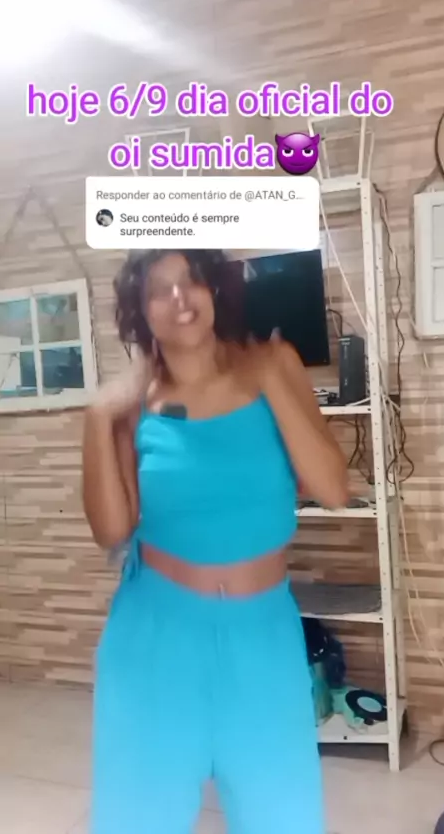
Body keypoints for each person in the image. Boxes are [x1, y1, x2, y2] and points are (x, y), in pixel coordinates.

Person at [82, 248, 349, 834]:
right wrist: (98, 419)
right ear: (140, 310)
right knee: (138, 819)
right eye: (159, 288)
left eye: (192, 280)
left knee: (283, 817)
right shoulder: (134, 402)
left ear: (215, 290)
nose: (179, 297)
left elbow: (333, 489)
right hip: (155, 635)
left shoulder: (275, 363)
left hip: (262, 635)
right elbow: (111, 530)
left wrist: (266, 376)